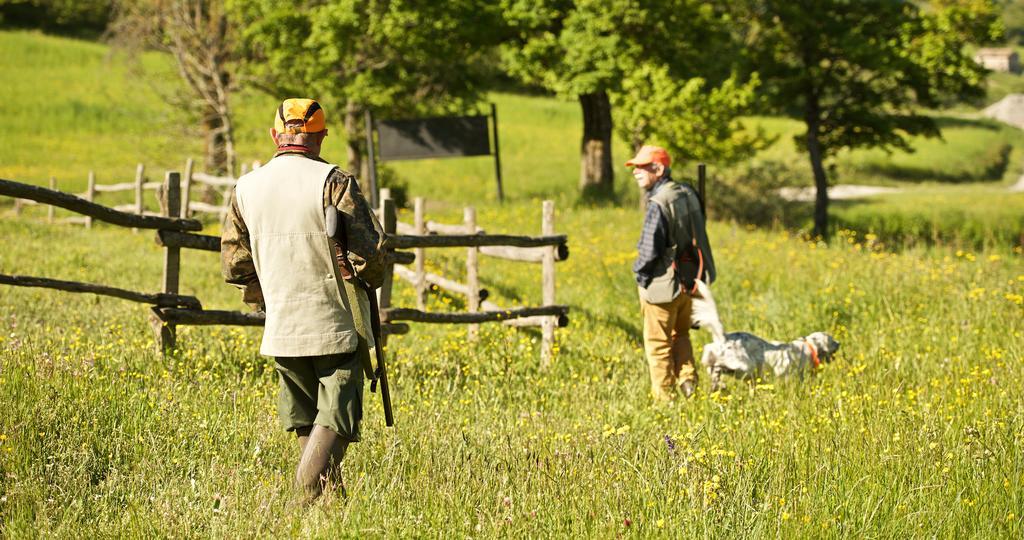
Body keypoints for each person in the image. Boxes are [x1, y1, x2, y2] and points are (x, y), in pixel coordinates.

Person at [221, 98, 387, 502]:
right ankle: (301, 497)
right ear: (320, 136)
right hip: (336, 321)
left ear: (275, 135)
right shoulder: (334, 181)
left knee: (306, 418)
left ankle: (327, 510)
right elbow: (372, 257)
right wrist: (365, 276)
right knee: (337, 417)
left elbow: (235, 264)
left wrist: (265, 296)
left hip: (282, 323)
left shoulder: (245, 188)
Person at [627, 145, 716, 401]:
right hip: (690, 281)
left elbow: (649, 250)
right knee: (682, 335)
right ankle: (688, 383)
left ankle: (665, 399)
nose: (636, 172)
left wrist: (641, 278)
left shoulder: (658, 202)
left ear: (659, 168)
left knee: (658, 344)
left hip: (662, 286)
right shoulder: (687, 192)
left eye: (642, 167)